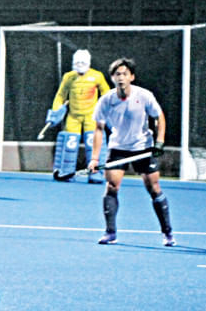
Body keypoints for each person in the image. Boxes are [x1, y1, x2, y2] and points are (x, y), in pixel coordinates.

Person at [88, 57, 175, 246]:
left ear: (132, 77)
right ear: (112, 78)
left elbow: (159, 117)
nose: (121, 78)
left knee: (154, 188)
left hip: (142, 146)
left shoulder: (144, 96)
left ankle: (167, 233)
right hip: (118, 147)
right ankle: (110, 232)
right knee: (111, 186)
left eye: (125, 74)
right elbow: (98, 129)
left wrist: (159, 142)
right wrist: (94, 158)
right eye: (117, 74)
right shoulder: (106, 100)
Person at [47, 49, 112, 183]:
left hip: (91, 116)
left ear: (88, 62)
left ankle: (96, 173)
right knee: (69, 143)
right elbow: (60, 95)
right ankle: (66, 172)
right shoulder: (68, 77)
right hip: (73, 116)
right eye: (77, 62)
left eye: (83, 62)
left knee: (93, 143)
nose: (80, 65)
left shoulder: (97, 76)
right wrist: (55, 112)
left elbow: (106, 94)